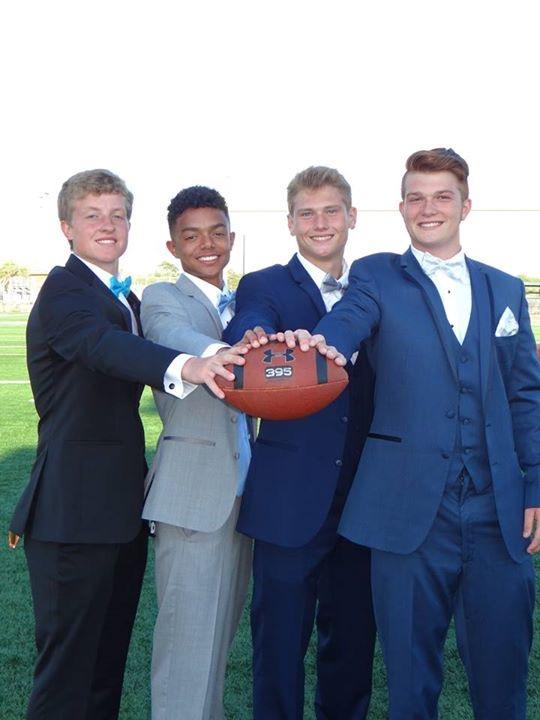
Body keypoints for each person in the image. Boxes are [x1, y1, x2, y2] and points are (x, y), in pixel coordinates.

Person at [300, 148, 540, 719]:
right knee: (410, 681)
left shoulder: (504, 290)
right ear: (401, 207)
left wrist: (536, 484)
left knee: (503, 674)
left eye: (441, 196)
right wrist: (325, 341)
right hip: (408, 512)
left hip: (496, 511)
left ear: (465, 205)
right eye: (415, 197)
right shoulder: (378, 274)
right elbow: (349, 318)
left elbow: (526, 395)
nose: (427, 208)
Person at [7, 170, 247, 720]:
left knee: (104, 670)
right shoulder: (65, 290)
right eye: (92, 215)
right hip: (72, 512)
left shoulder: (126, 297)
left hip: (120, 510)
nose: (107, 225)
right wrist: (191, 363)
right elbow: (99, 345)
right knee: (67, 676)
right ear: (66, 226)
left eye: (117, 214)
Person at [224, 166, 376, 719]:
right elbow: (251, 318)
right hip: (289, 498)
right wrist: (253, 337)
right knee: (279, 647)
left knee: (353, 646)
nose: (320, 223)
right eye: (307, 213)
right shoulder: (264, 284)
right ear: (290, 222)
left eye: (331, 210)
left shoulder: (373, 286)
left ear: (352, 217)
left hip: (364, 499)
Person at [140, 186, 252, 720]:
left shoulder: (247, 300)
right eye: (192, 235)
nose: (207, 244)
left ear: (231, 236)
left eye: (217, 231)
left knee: (217, 643)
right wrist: (218, 354)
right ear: (172, 245)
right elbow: (170, 335)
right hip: (191, 495)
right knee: (186, 650)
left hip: (245, 499)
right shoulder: (163, 298)